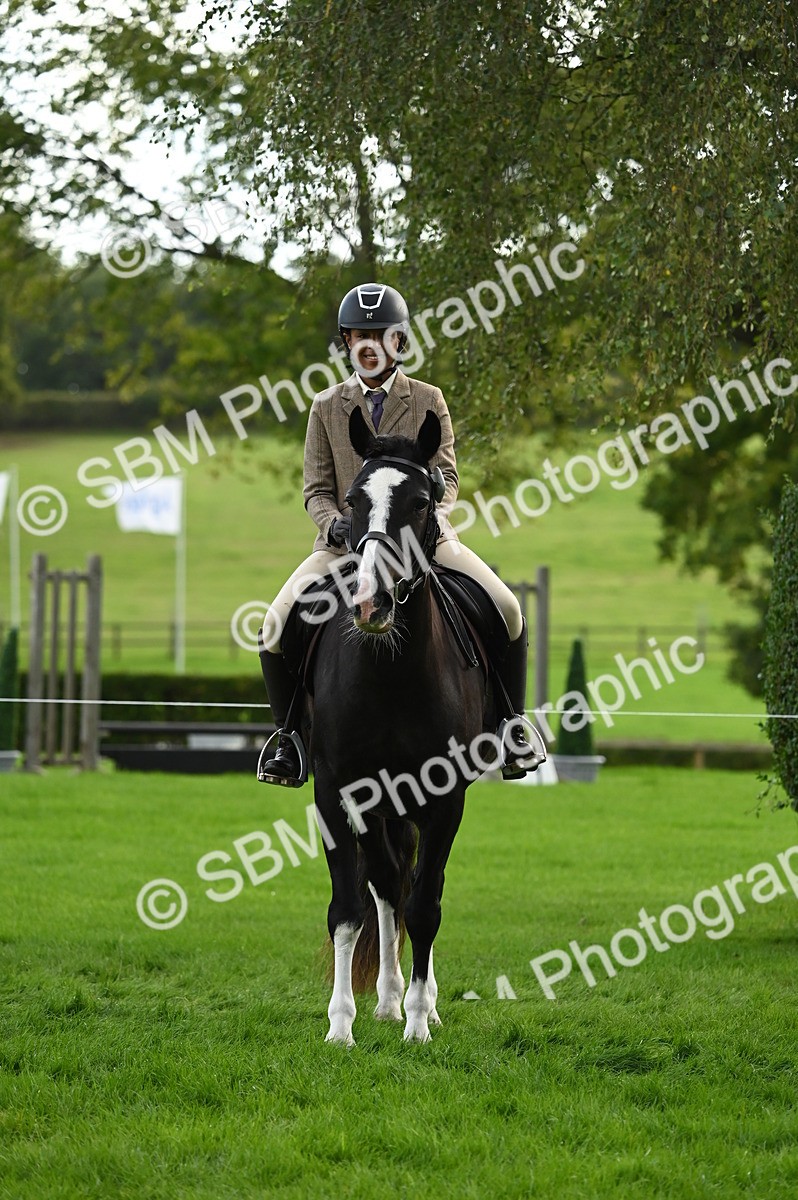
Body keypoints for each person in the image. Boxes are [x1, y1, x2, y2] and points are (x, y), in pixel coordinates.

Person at [258, 282, 544, 786]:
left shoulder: (428, 399)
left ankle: (511, 725)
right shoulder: (326, 406)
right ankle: (290, 739)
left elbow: (447, 475)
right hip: (345, 546)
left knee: (509, 609)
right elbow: (316, 489)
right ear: (346, 342)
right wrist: (333, 523)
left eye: (380, 335)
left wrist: (430, 513)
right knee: (273, 626)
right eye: (359, 336)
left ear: (400, 342)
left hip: (422, 541)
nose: (369, 345)